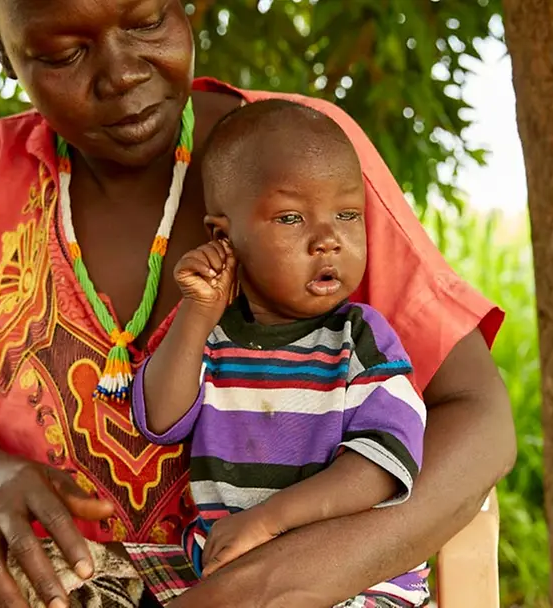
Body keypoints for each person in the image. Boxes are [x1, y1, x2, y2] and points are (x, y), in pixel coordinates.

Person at [0, 0, 516, 605]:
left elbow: (477, 417)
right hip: (74, 579)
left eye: (147, 21)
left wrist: (283, 579)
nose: (120, 74)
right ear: (1, 48)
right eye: (65, 54)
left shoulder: (303, 158)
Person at [131, 99, 429, 607]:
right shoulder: (214, 339)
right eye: (292, 217)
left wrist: (268, 520)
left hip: (349, 581)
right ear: (224, 237)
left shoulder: (360, 340)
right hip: (224, 574)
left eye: (347, 214)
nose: (328, 240)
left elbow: (382, 467)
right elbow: (158, 420)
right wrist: (197, 314)